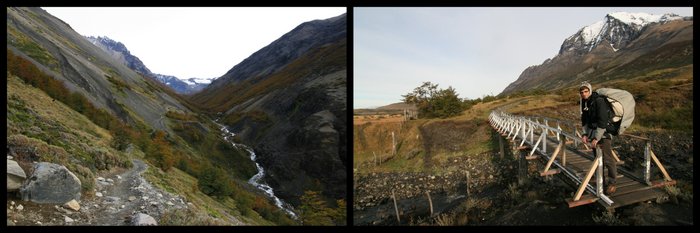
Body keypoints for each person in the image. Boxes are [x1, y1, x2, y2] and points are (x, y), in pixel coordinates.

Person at [579, 81, 617, 195]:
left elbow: (602, 121)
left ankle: (612, 183)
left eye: (586, 91)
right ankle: (602, 181)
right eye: (582, 92)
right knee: (597, 158)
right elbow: (584, 120)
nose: (584, 94)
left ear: (590, 90)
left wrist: (596, 138)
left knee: (608, 158)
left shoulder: (599, 101)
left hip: (604, 134)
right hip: (593, 133)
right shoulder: (584, 103)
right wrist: (584, 134)